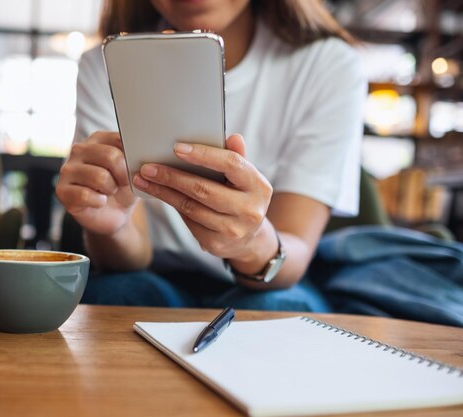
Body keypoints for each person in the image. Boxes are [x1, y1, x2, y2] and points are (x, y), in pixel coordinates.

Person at [55, 0, 366, 311]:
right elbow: (128, 261)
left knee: (275, 307)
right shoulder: (107, 64)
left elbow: (293, 252)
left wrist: (251, 242)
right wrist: (115, 226)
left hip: (268, 280)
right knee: (117, 293)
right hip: (152, 276)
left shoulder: (329, 65)